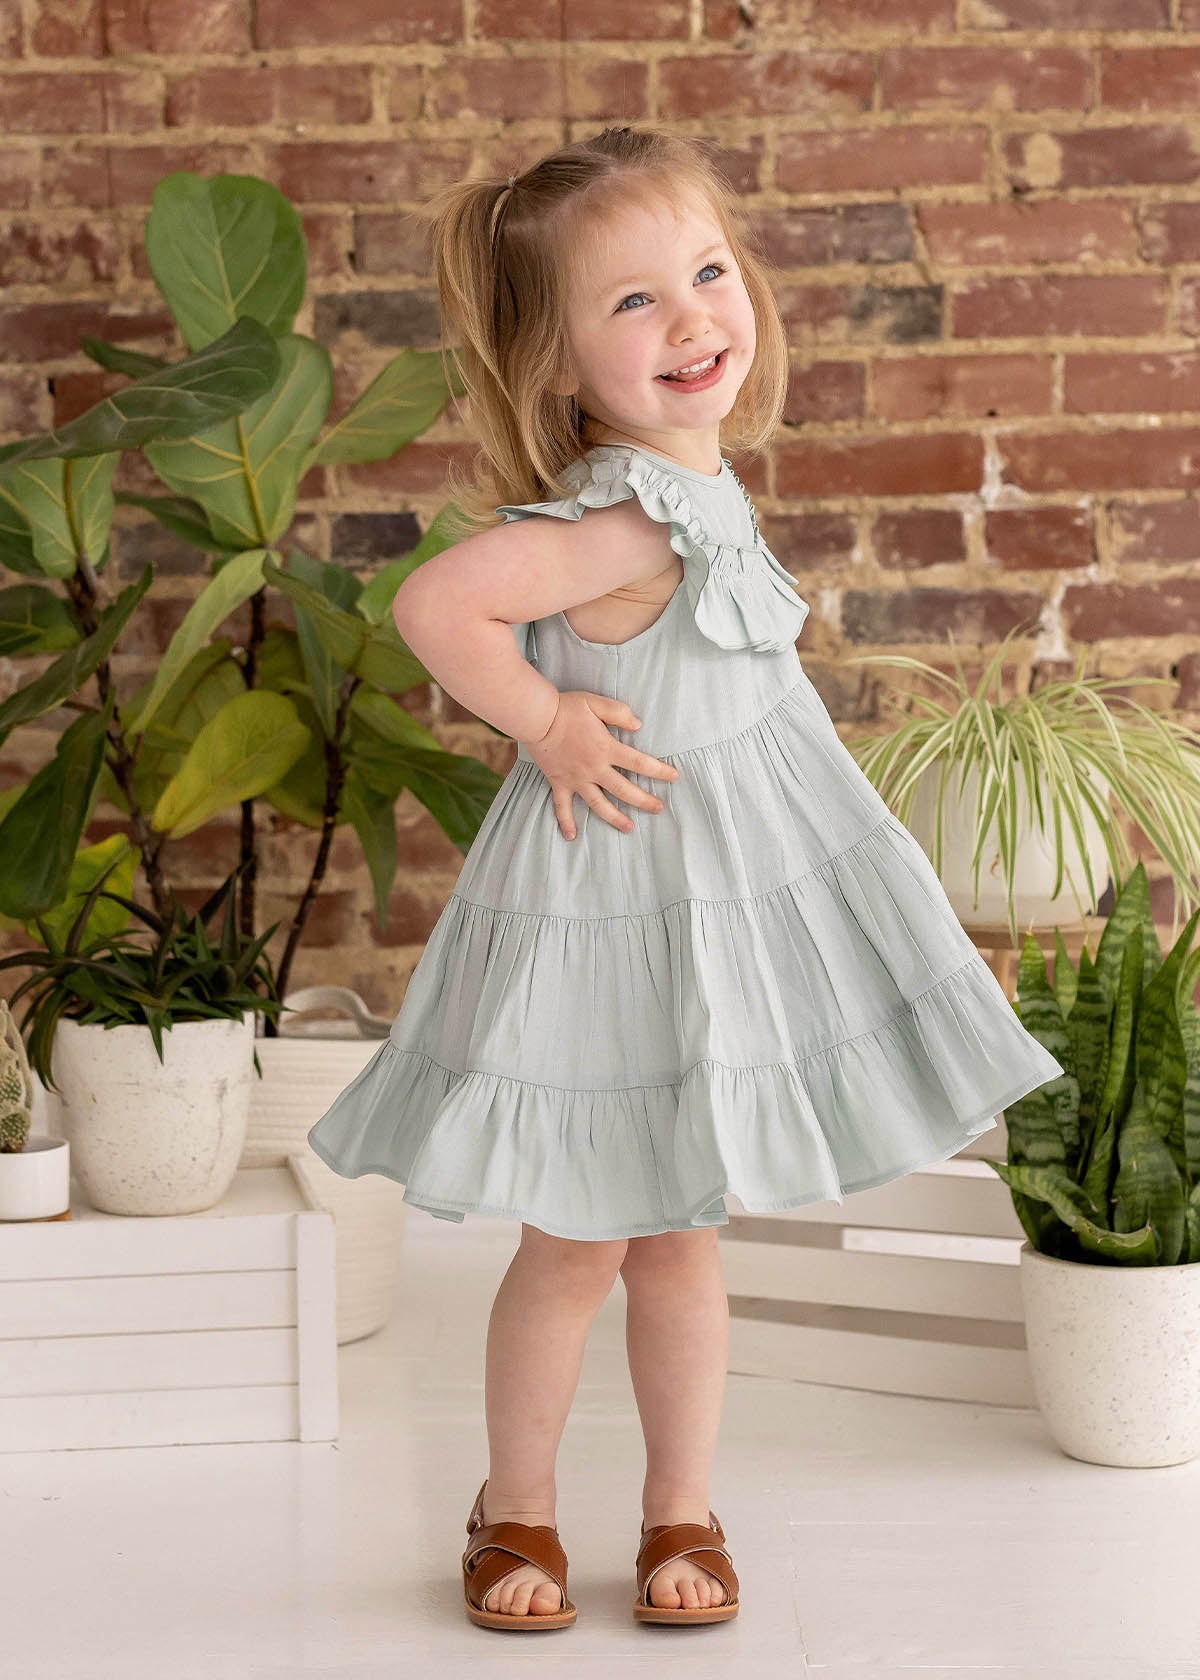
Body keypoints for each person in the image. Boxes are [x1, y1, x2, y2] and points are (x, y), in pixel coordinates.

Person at [306, 124, 1066, 1633]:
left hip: (703, 910)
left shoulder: (696, 484)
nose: (693, 318)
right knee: (579, 1237)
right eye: (634, 302)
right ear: (559, 362)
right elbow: (438, 604)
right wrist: (545, 723)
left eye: (708, 274)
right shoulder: (623, 515)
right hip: (614, 911)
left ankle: (681, 1506)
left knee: (681, 1234)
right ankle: (514, 1505)